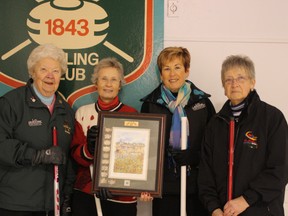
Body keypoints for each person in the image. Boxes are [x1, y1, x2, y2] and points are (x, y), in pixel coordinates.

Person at [198, 55, 288, 216]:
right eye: (228, 80)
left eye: (241, 78)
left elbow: (280, 170)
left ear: (252, 82)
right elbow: (205, 175)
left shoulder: (272, 118)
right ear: (223, 86)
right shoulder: (214, 125)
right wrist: (214, 209)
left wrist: (245, 200)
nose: (234, 84)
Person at [0, 43, 75, 216]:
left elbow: (69, 159)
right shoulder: (11, 103)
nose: (50, 76)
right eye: (43, 69)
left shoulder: (66, 111)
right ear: (32, 72)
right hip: (16, 205)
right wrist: (37, 155)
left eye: (56, 71)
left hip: (51, 206)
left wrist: (67, 196)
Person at [140, 46, 215, 216]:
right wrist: (145, 185)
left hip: (197, 187)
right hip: (164, 188)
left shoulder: (202, 103)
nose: (172, 74)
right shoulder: (150, 105)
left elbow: (214, 145)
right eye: (166, 69)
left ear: (187, 71)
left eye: (177, 67)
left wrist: (195, 156)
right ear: (161, 74)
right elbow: (144, 150)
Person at [71, 57, 144, 216]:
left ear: (120, 85)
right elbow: (75, 154)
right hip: (86, 195)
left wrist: (115, 185)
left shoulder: (131, 114)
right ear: (96, 83)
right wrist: (89, 149)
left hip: (121, 198)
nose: (108, 84)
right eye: (103, 79)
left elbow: (136, 159)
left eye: (113, 80)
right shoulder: (83, 113)